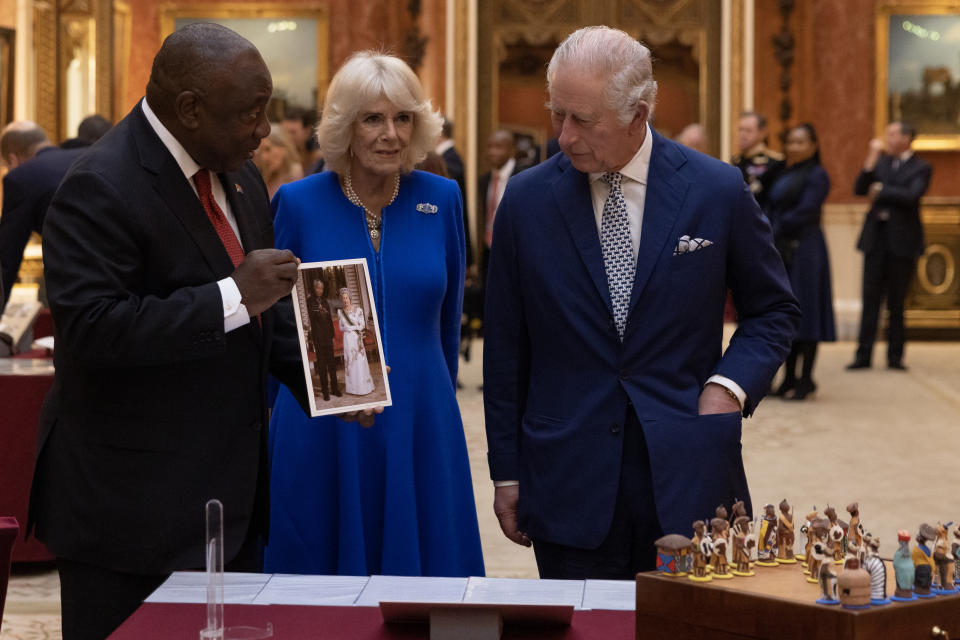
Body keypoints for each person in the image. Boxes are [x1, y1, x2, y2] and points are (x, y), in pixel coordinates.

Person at [483, 26, 799, 580]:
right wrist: (506, 472)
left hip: (690, 470)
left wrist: (728, 389)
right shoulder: (526, 202)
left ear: (639, 112)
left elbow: (773, 310)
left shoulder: (716, 190)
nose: (564, 136)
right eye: (558, 114)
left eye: (583, 120)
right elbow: (506, 348)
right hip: (567, 477)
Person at [26, 24, 310, 639]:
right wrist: (233, 293)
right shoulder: (99, 185)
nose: (265, 131)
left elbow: (261, 317)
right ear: (189, 108)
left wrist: (329, 382)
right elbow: (94, 331)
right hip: (129, 517)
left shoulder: (239, 175)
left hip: (227, 509)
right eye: (251, 114)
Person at [264, 51, 484, 577]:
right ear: (344, 126)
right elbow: (272, 323)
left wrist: (436, 396)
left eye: (402, 118)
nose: (390, 134)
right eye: (373, 118)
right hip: (321, 425)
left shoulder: (443, 197)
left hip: (421, 420)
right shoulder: (297, 203)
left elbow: (449, 316)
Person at [848, 121, 930, 371]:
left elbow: (911, 196)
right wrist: (870, 158)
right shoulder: (880, 163)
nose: (888, 138)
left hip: (902, 243)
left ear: (907, 138)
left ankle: (895, 356)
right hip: (876, 241)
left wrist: (881, 190)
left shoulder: (921, 167)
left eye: (893, 134)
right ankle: (863, 355)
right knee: (870, 300)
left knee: (897, 303)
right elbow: (860, 188)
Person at [766, 123, 836, 400]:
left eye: (800, 142)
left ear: (813, 146)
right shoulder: (784, 171)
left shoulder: (818, 175)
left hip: (807, 249)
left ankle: (806, 379)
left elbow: (806, 210)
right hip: (783, 248)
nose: (794, 147)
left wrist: (773, 227)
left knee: (808, 313)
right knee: (789, 314)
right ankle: (788, 377)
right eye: (791, 142)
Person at [0, 121, 88, 307]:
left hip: (73, 283)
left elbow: (7, 256)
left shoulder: (21, 177)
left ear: (13, 159)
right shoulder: (87, 155)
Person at [478, 129, 520, 278]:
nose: (492, 152)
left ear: (511, 149)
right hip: (488, 252)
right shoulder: (484, 180)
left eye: (498, 147)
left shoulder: (524, 177)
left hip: (515, 254)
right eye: (489, 147)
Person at [731, 111, 783, 209]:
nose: (742, 135)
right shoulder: (735, 161)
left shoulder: (775, 162)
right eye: (740, 130)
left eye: (748, 131)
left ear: (762, 133)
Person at [337, 287, 375, 395]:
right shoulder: (340, 312)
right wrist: (347, 328)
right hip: (347, 339)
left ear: (350, 298)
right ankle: (353, 389)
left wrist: (352, 328)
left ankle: (363, 388)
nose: (345, 300)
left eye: (346, 298)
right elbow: (340, 327)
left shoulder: (358, 310)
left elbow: (362, 325)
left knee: (359, 361)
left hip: (356, 338)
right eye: (343, 298)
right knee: (350, 362)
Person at [308, 276, 340, 401]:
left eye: (321, 288)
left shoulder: (325, 301)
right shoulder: (310, 301)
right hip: (318, 338)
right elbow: (312, 315)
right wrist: (318, 309)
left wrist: (332, 336)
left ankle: (335, 389)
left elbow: (330, 321)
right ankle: (325, 392)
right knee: (321, 366)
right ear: (314, 288)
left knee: (332, 365)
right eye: (318, 288)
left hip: (328, 337)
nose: (320, 290)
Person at [254, 123, 304, 199]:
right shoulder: (262, 178)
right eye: (261, 152)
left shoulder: (296, 175)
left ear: (283, 146)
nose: (264, 157)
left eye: (268, 149)